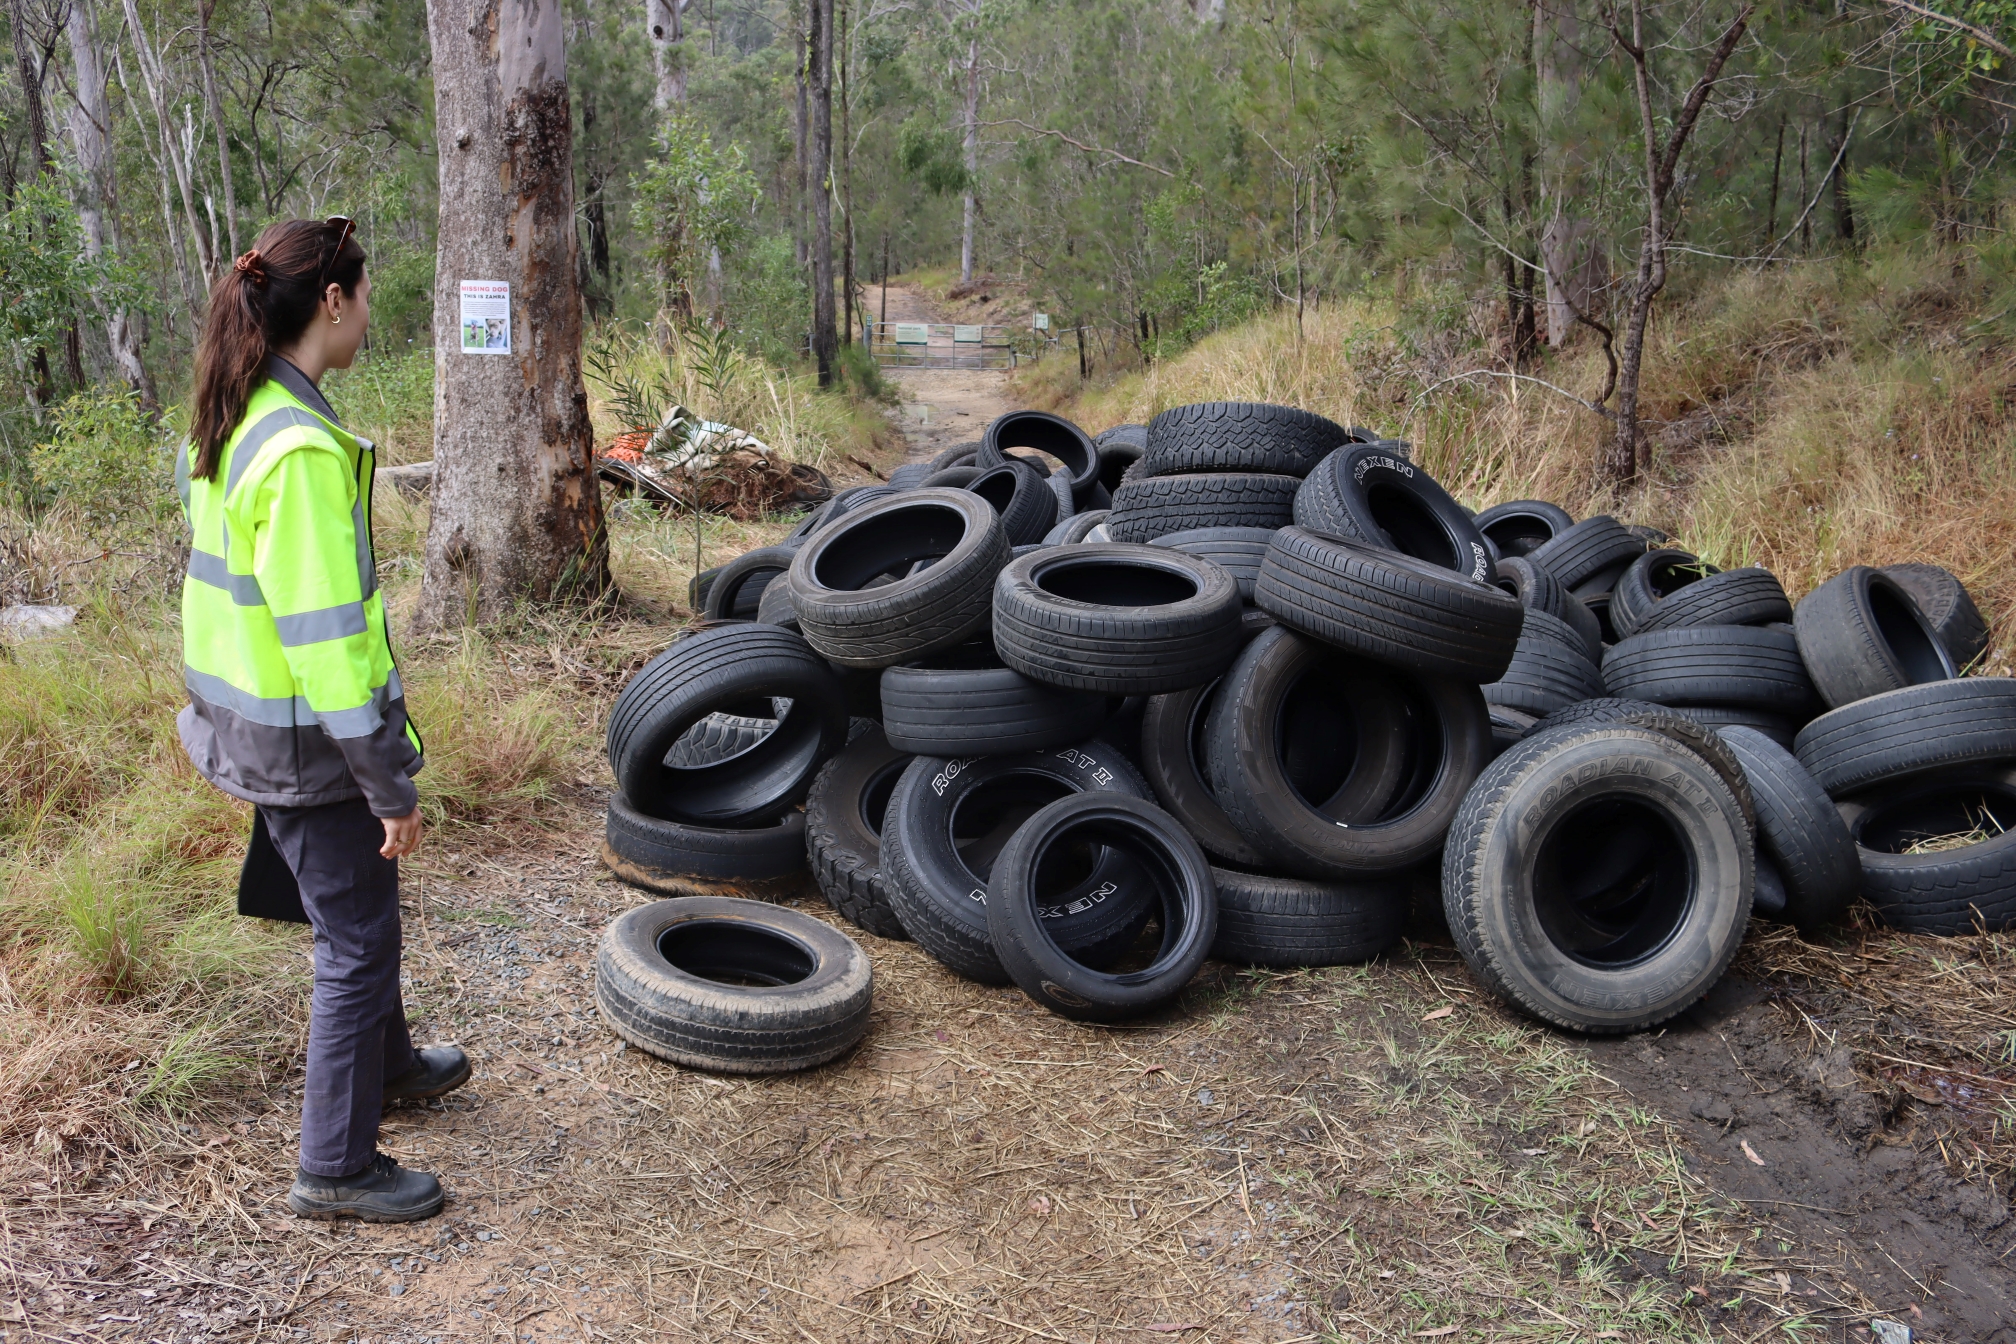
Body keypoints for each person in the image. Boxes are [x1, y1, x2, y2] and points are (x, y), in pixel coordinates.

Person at [177, 217, 468, 1222]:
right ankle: (335, 1166)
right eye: (368, 292)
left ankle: (388, 1067)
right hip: (307, 744)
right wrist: (387, 779)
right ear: (331, 302)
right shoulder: (297, 449)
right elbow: (325, 639)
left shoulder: (240, 410)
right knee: (354, 940)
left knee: (364, 918)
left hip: (248, 727)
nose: (372, 312)